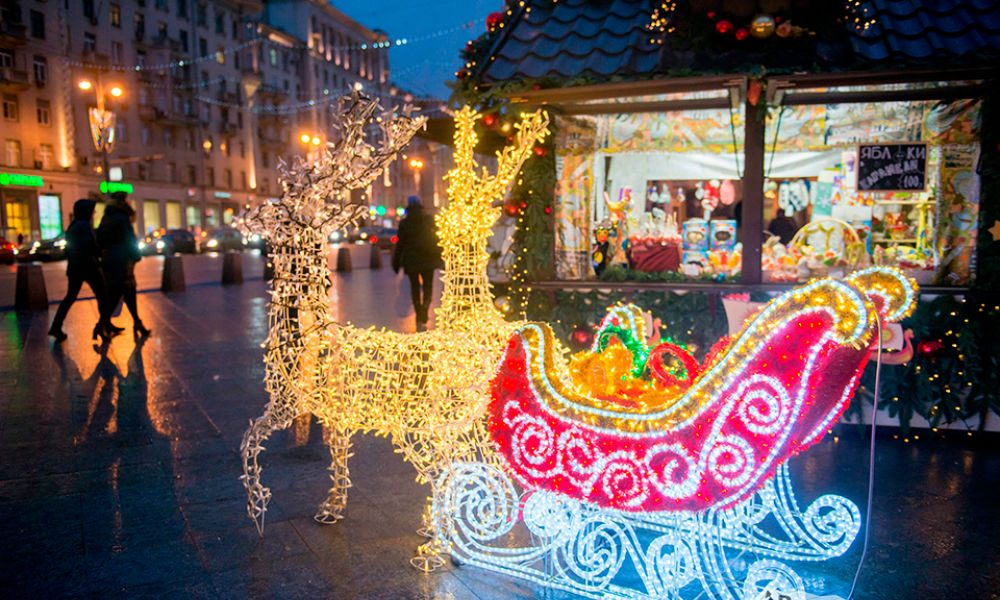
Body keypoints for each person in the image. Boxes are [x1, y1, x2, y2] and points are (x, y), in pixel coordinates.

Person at [48, 199, 116, 342]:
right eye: (92, 210)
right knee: (103, 295)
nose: (94, 212)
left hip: (74, 266)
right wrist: (99, 256)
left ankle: (56, 326)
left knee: (70, 297)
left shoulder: (73, 225)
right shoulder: (84, 225)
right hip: (87, 266)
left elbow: (68, 249)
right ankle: (102, 326)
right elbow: (89, 246)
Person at [97, 192, 150, 337]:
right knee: (119, 292)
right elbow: (129, 239)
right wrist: (135, 256)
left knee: (128, 291)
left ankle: (137, 322)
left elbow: (100, 238)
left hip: (109, 259)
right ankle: (101, 324)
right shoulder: (122, 217)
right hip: (122, 259)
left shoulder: (106, 217)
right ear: (123, 202)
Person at [392, 196, 443, 332]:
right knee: (427, 287)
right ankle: (425, 309)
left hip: (411, 261)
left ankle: (419, 311)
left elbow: (400, 244)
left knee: (415, 289)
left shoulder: (404, 223)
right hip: (428, 259)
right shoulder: (428, 220)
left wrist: (396, 262)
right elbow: (437, 238)